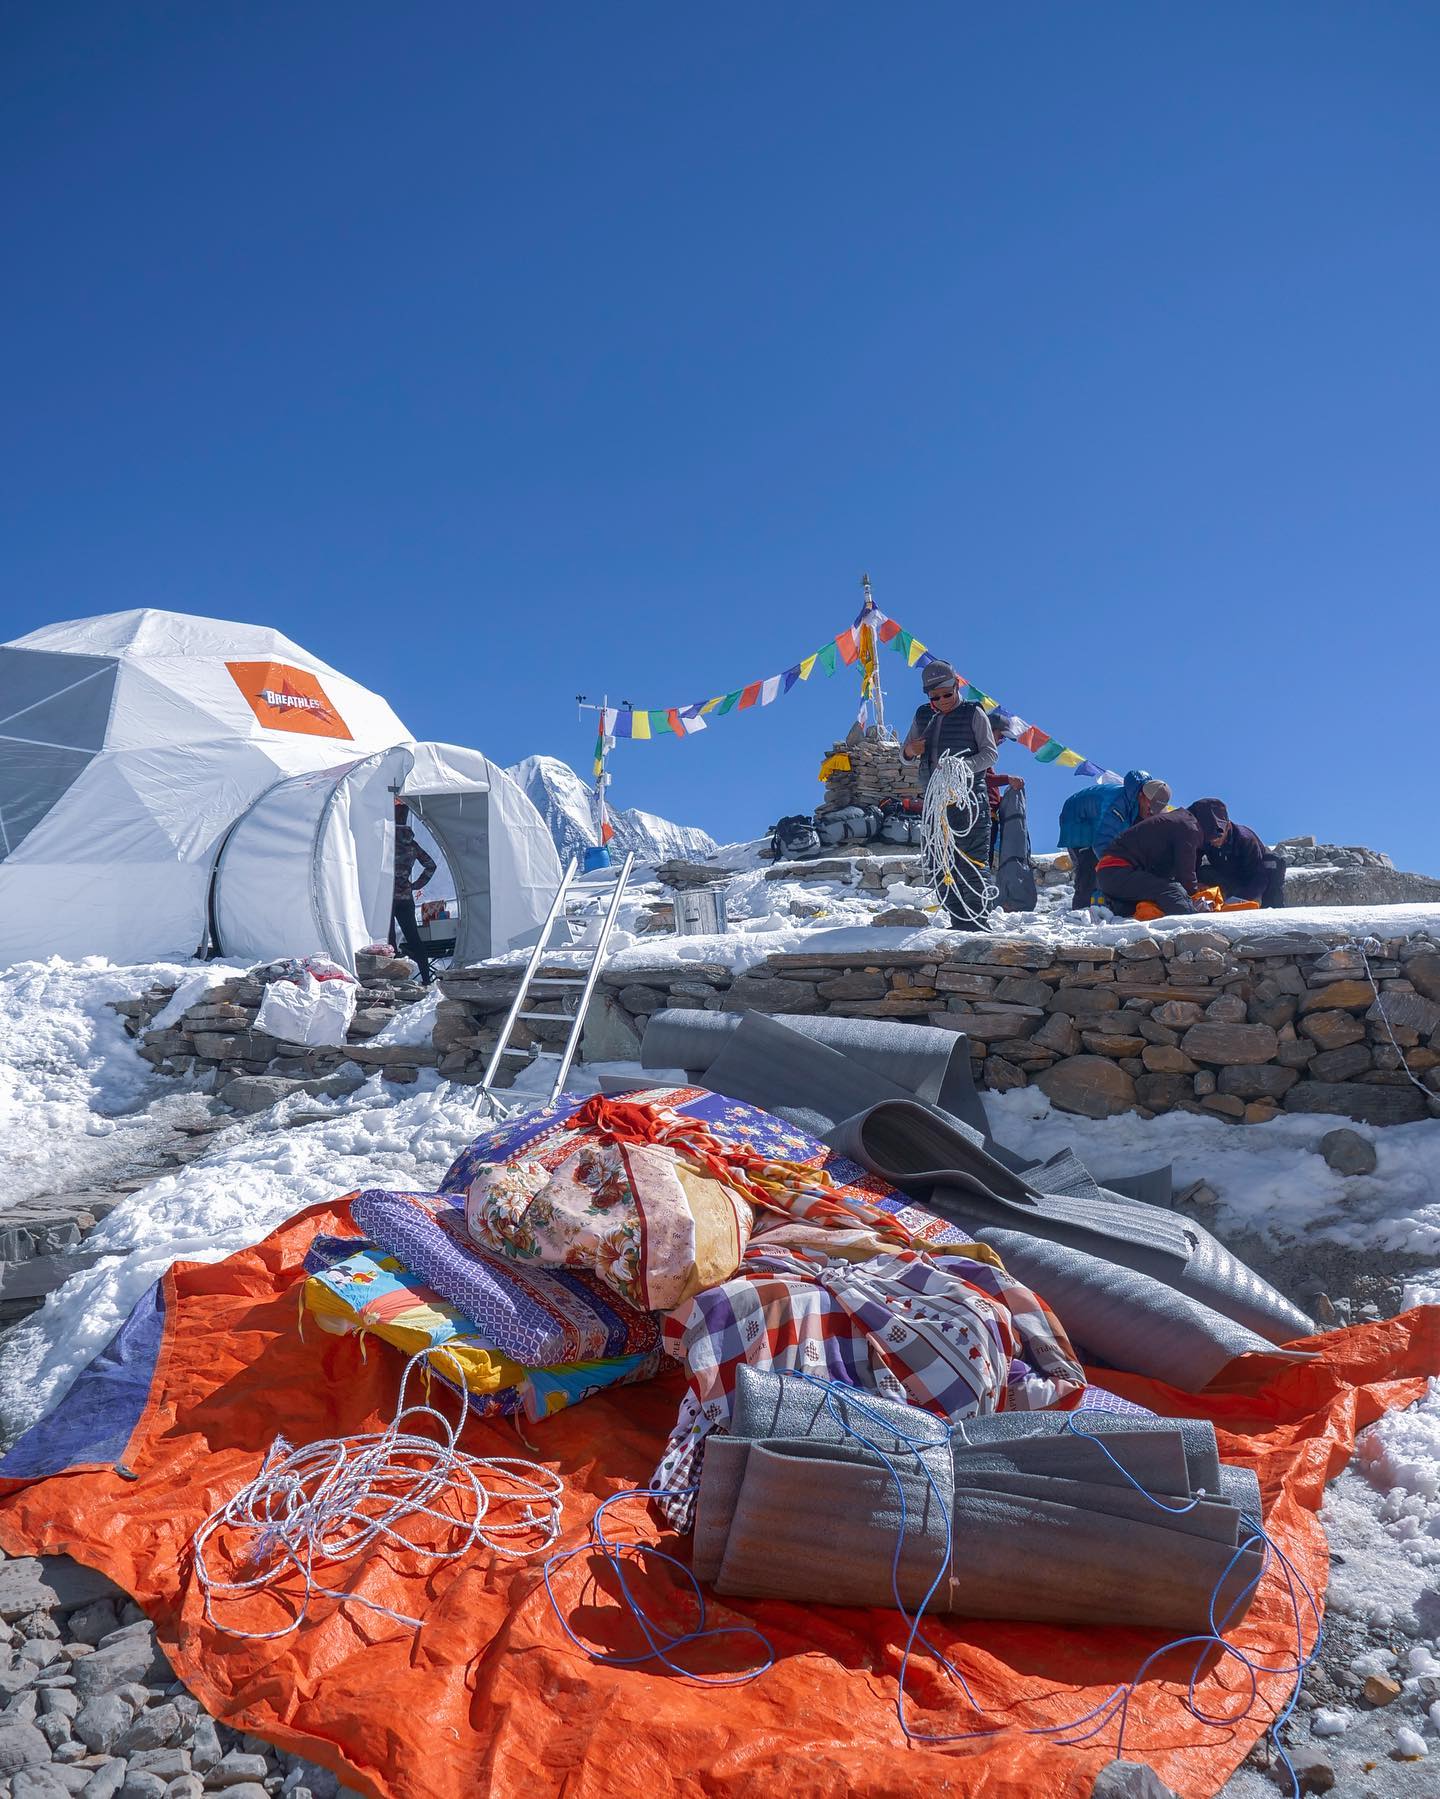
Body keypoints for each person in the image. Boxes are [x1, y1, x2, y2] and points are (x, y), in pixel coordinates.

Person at [901, 660, 997, 929]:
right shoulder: (922, 716)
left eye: (947, 694)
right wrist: (911, 750)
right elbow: (904, 754)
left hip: (969, 800)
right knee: (939, 863)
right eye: (935, 697)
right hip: (934, 802)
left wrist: (961, 767)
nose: (942, 701)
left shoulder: (974, 713)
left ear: (957, 687)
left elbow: (990, 753)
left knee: (970, 860)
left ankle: (977, 921)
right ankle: (957, 920)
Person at [1057, 769, 1170, 914]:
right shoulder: (1116, 805)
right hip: (1078, 819)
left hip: (1099, 820)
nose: (1152, 813)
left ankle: (1103, 907)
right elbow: (1102, 842)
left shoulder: (1137, 804)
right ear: (1142, 796)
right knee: (1089, 863)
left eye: (1156, 809)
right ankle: (1081, 910)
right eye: (1150, 808)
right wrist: (1116, 870)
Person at [1095, 797, 1230, 918]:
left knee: (1159, 898)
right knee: (1173, 891)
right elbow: (1185, 873)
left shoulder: (1180, 820)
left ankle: (1120, 907)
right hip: (1118, 870)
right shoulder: (1189, 828)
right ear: (1211, 822)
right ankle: (1193, 925)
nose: (1214, 840)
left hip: (1111, 873)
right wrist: (1194, 897)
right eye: (1218, 832)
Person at [1194, 800, 1287, 908]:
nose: (1214, 842)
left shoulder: (1246, 839)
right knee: (1203, 872)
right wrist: (1196, 884)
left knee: (1272, 865)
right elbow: (1194, 863)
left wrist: (1238, 900)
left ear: (1228, 826)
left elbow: (1259, 877)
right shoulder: (1205, 840)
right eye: (1210, 839)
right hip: (1229, 876)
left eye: (1218, 838)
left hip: (1253, 877)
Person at [390, 800, 437, 982]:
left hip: (387, 899)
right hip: (405, 897)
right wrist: (416, 884)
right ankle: (426, 978)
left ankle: (392, 981)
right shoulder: (412, 844)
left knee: (389, 940)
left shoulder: (385, 841)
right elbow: (430, 865)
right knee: (414, 938)